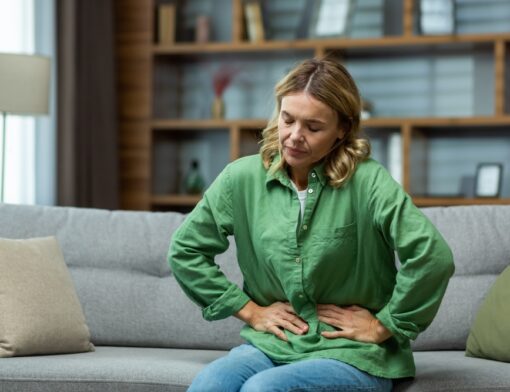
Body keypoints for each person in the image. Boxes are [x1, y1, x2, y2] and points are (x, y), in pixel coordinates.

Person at [168, 58, 454, 392]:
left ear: (342, 129)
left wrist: (383, 326)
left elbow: (433, 257)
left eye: (313, 127)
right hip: (273, 345)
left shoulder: (369, 181)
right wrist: (249, 311)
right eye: (287, 119)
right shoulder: (241, 178)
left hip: (353, 354)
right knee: (210, 384)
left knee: (264, 390)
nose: (293, 137)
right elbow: (185, 250)